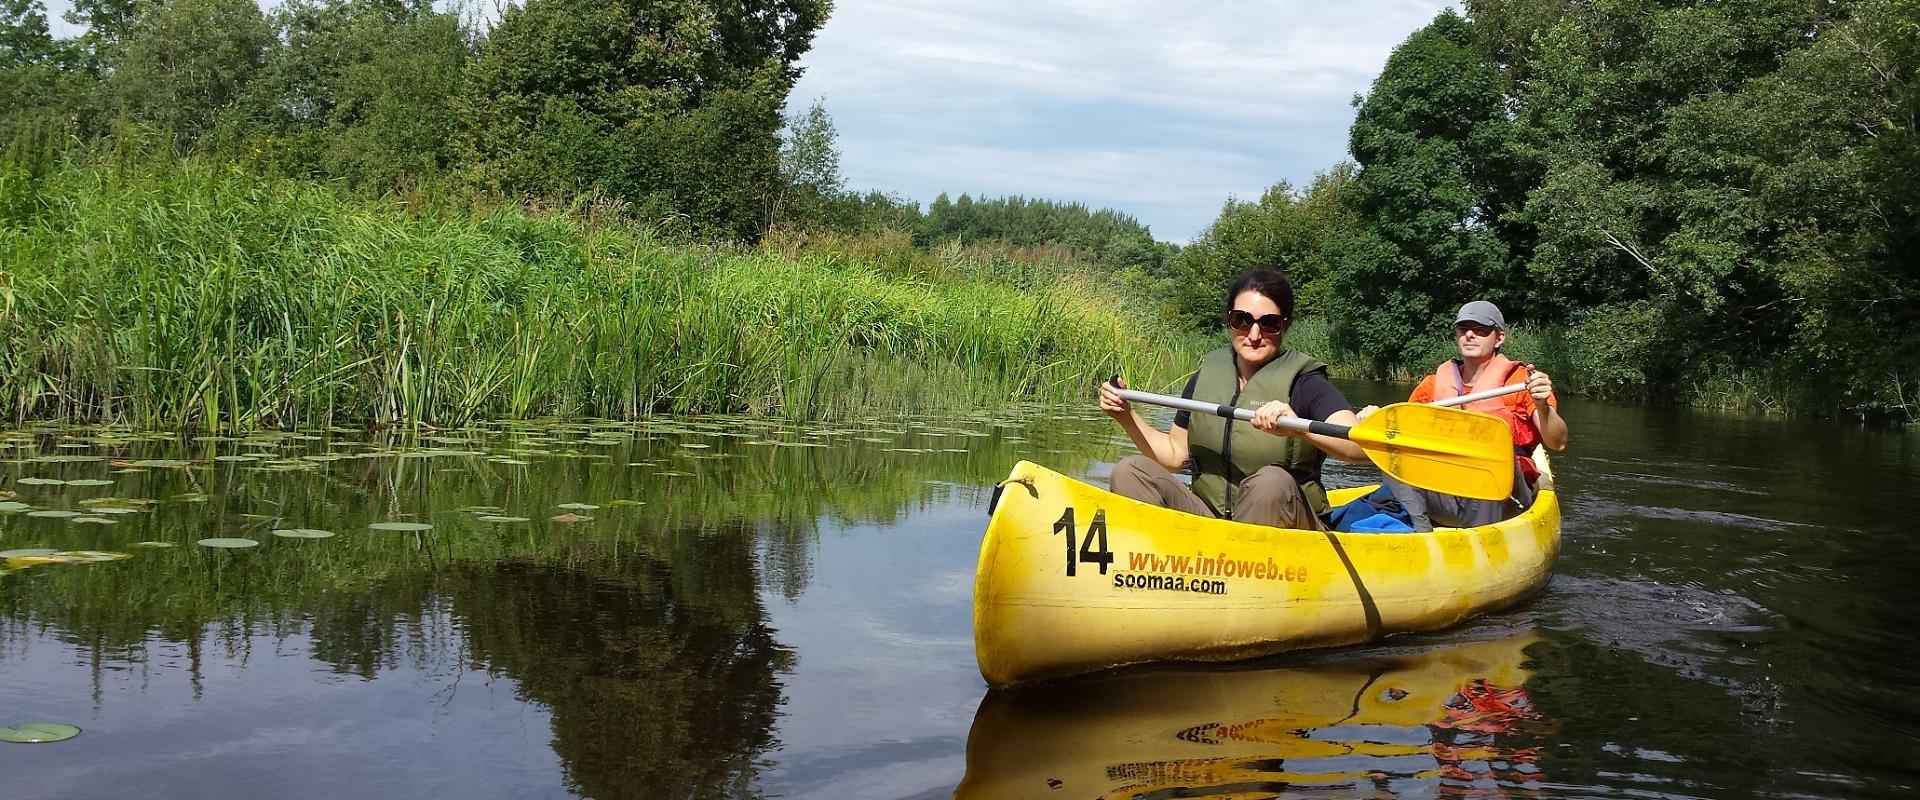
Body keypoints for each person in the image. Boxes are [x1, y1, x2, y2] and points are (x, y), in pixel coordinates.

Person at [1098, 269, 1364, 531]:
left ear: (1285, 325)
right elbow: (1175, 456)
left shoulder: (1306, 383)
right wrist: (1126, 416)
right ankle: (1158, 565)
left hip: (1288, 525)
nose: (1254, 334)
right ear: (1229, 321)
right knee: (1130, 471)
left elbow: (1358, 448)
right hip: (1209, 516)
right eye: (1242, 320)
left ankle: (1246, 565)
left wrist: (1298, 428)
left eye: (1269, 323)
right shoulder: (1206, 378)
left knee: (1270, 483)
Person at [1359, 300, 1568, 530]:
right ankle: (1421, 533)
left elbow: (1557, 442)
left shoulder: (1523, 383)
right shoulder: (1433, 384)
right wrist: (1376, 420)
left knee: (1494, 448)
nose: (1470, 335)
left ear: (1499, 338)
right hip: (1447, 491)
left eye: (1480, 330)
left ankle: (1484, 536)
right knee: (1396, 453)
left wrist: (1542, 406)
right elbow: (1403, 435)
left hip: (1505, 498)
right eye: (1463, 329)